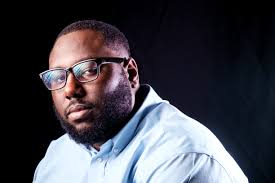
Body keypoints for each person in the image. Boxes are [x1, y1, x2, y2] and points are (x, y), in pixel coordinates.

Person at [33, 19, 248, 183]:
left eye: (89, 70)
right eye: (57, 77)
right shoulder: (57, 157)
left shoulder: (182, 157)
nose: (70, 90)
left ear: (131, 73)